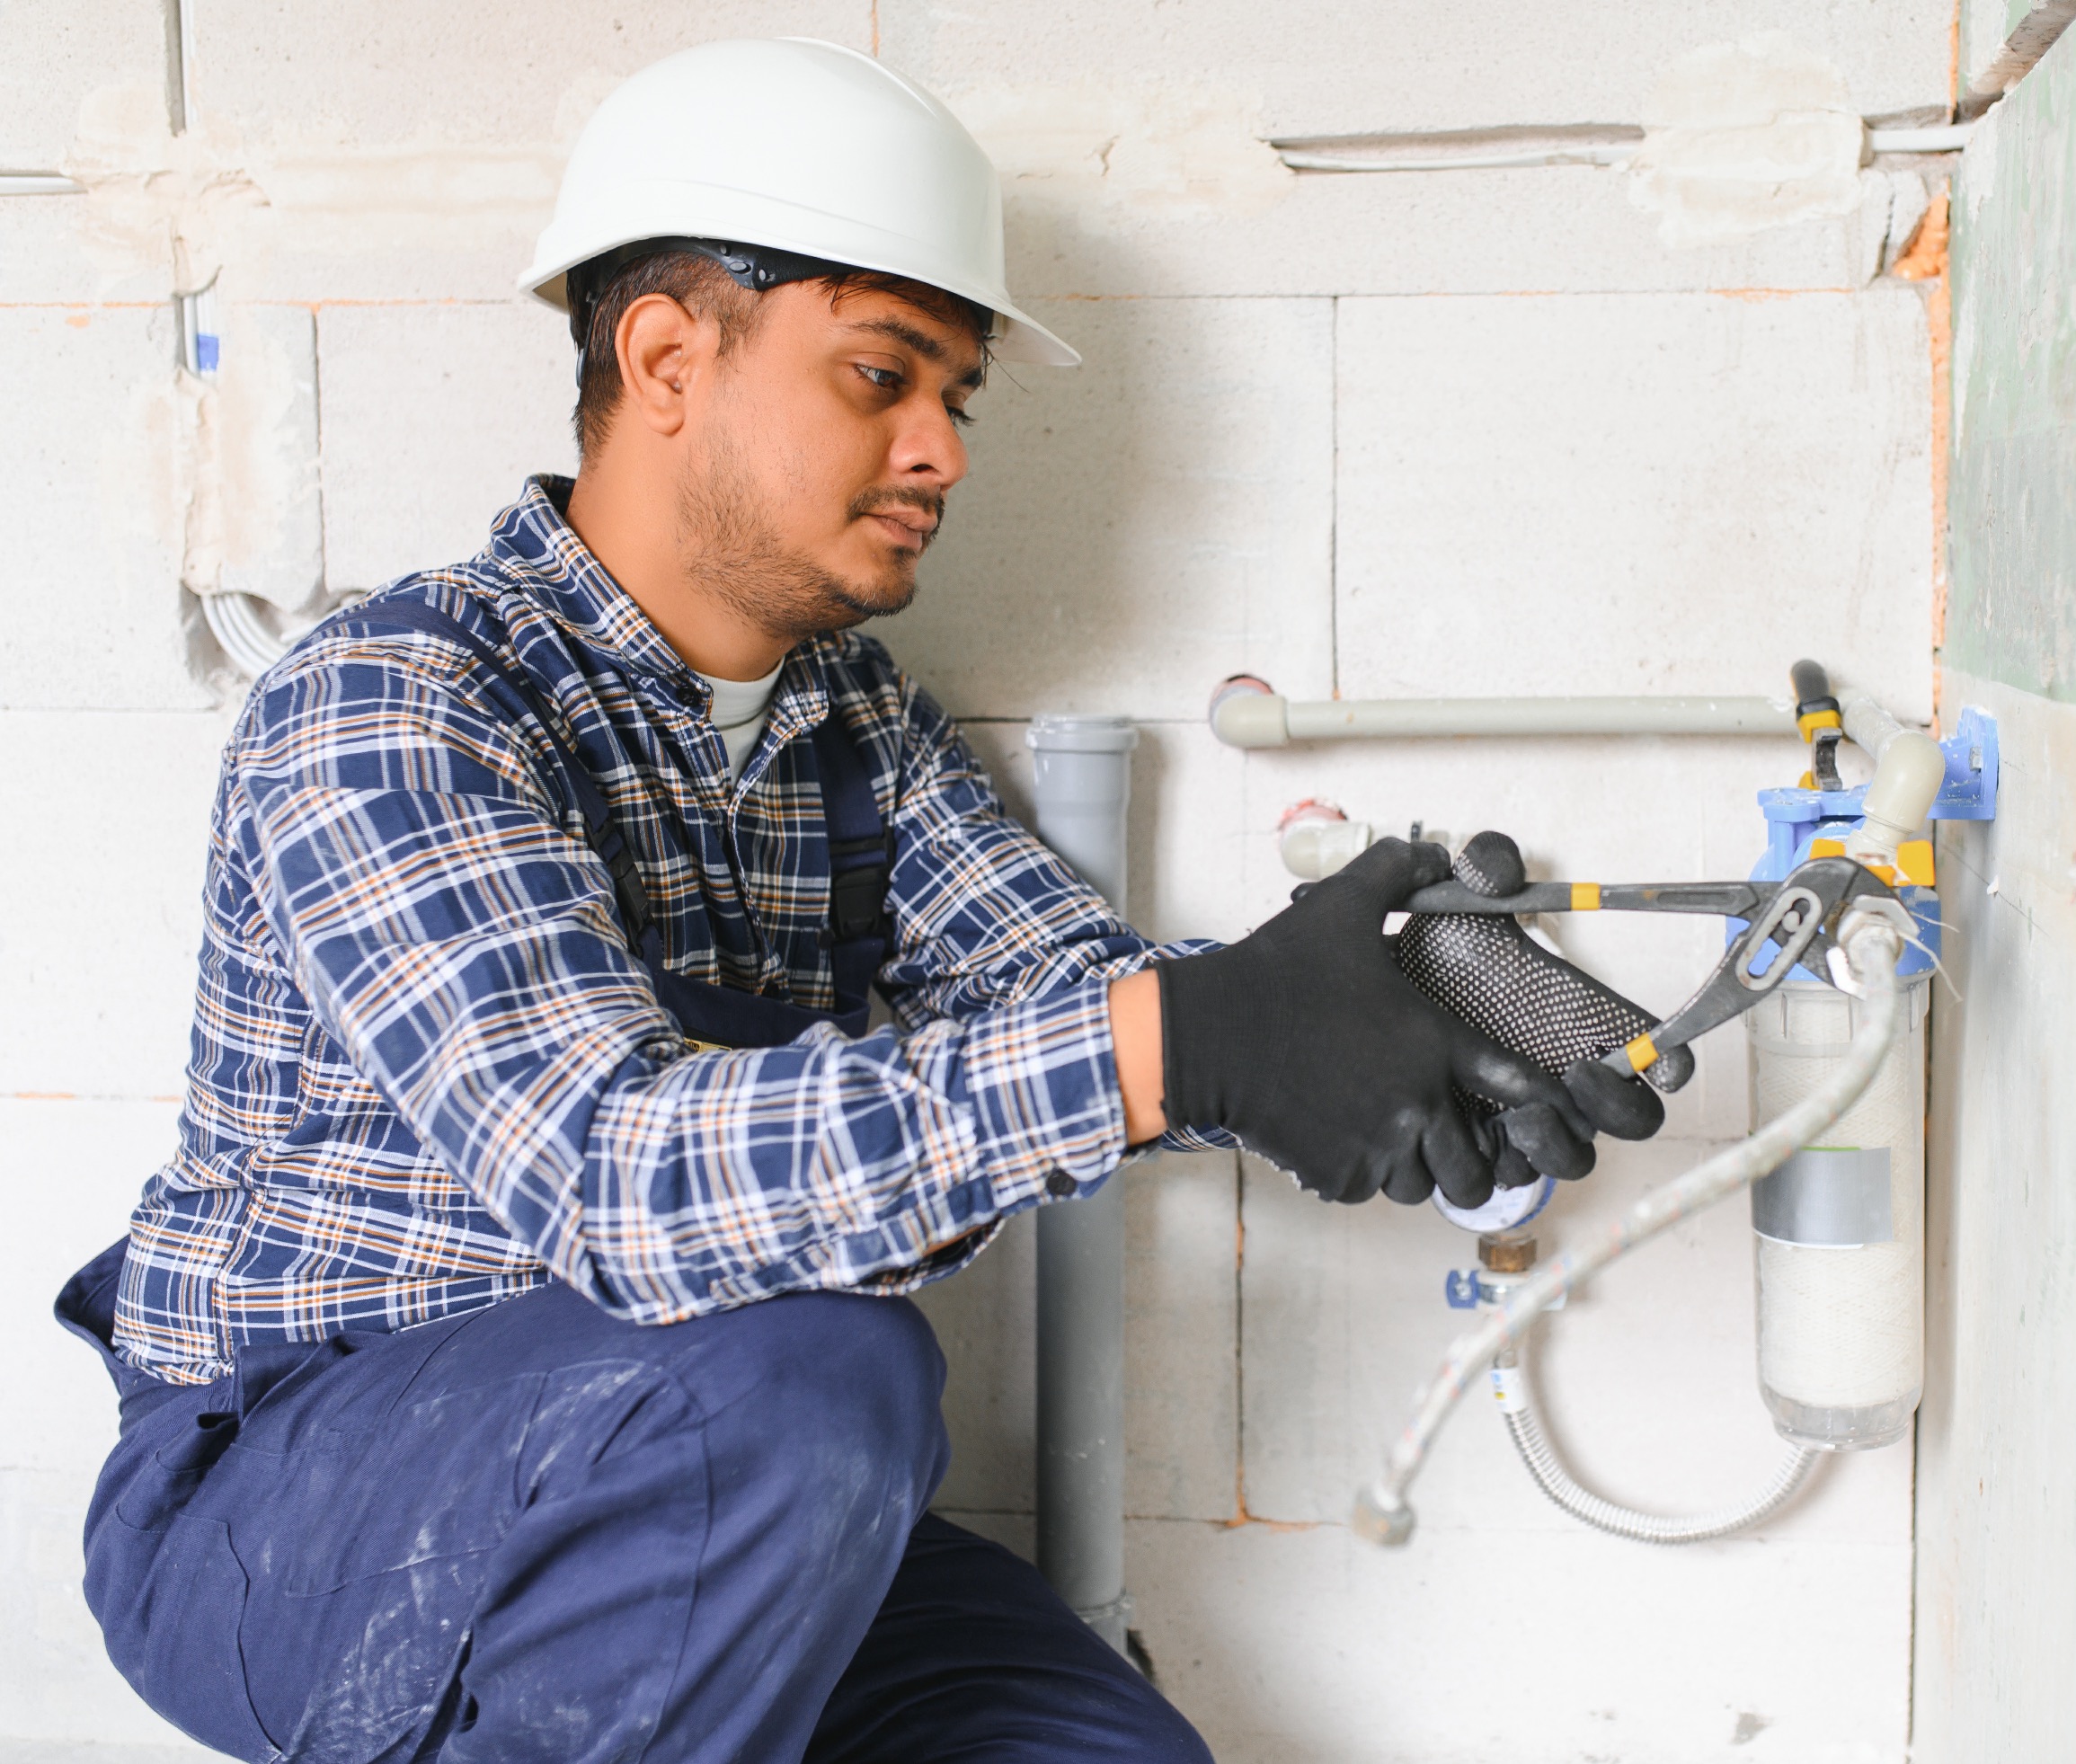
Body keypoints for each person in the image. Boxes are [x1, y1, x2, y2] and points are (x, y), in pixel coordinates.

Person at [55, 37, 1665, 1762]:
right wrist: (1187, 1044)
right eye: (882, 377)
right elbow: (619, 1180)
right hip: (307, 1492)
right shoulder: (395, 703)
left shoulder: (852, 725)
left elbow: (1085, 1001)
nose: (942, 451)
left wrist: (1392, 1003)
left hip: (710, 1472)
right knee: (822, 1374)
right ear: (666, 356)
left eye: (953, 398)